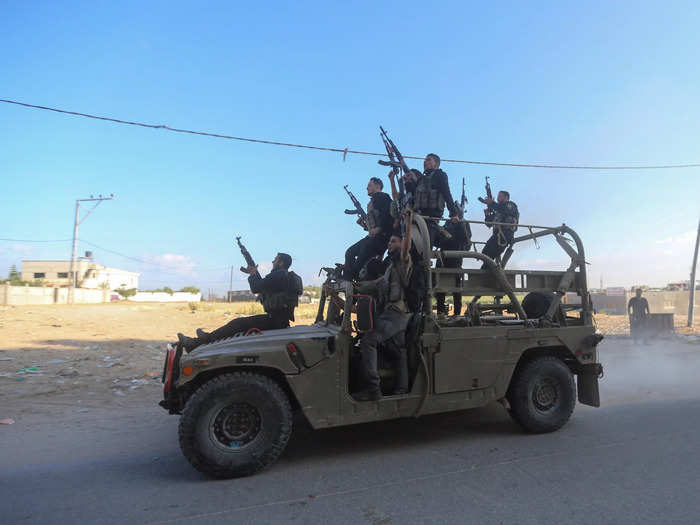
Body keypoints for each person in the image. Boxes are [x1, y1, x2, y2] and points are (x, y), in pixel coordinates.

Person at [177, 252, 302, 352]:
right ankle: (199, 342)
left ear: (281, 263)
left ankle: (200, 341)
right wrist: (253, 274)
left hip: (275, 321)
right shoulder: (284, 276)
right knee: (239, 325)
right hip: (279, 319)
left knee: (238, 324)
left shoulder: (279, 274)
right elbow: (263, 286)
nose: (272, 262)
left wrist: (253, 274)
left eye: (275, 259)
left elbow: (256, 288)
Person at [354, 234, 412, 401]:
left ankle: (373, 389)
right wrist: (356, 286)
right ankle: (402, 389)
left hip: (396, 312)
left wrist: (407, 222)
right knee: (399, 351)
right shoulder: (390, 267)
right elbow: (377, 283)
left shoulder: (403, 261)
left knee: (368, 341)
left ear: (403, 244)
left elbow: (406, 248)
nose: (389, 244)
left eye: (394, 241)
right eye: (389, 241)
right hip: (394, 313)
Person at [404, 154, 459, 248]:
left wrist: (453, 213)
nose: (425, 162)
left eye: (429, 160)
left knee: (425, 248)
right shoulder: (421, 180)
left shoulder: (439, 175)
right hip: (418, 218)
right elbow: (414, 196)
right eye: (425, 160)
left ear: (436, 164)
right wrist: (408, 182)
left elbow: (446, 192)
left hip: (431, 219)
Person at [344, 177, 394, 280]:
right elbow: (372, 226)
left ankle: (351, 280)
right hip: (373, 238)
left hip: (381, 238)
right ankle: (348, 279)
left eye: (370, 185)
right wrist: (363, 225)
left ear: (377, 186)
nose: (367, 188)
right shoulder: (373, 202)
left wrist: (379, 229)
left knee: (358, 262)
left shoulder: (381, 196)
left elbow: (387, 216)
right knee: (350, 252)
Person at [435, 200, 472, 315]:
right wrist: (437, 228)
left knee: (457, 290)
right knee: (439, 290)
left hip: (455, 259)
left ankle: (456, 315)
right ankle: (441, 313)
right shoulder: (447, 224)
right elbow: (438, 241)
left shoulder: (464, 223)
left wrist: (459, 223)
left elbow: (465, 240)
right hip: (443, 259)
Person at [482, 190, 519, 265]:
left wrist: (492, 203)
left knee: (490, 256)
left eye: (500, 196)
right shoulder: (498, 210)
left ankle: (488, 272)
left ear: (506, 197)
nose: (498, 198)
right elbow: (489, 224)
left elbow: (505, 210)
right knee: (484, 253)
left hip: (504, 237)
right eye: (498, 196)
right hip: (496, 236)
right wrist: (487, 214)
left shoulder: (510, 205)